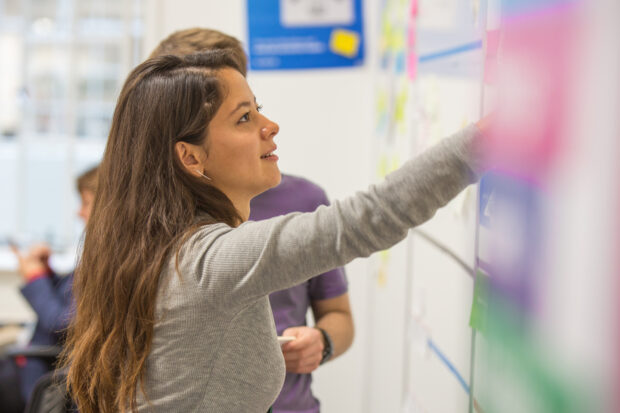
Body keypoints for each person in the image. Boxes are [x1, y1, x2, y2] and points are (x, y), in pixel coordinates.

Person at [61, 50, 486, 413]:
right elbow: (369, 218)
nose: (270, 125)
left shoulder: (154, 246)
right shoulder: (206, 260)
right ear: (191, 159)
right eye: (245, 118)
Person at [149, 28, 354, 412]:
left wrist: (321, 342)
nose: (269, 126)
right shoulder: (146, 220)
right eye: (243, 116)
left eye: (251, 107)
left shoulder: (304, 199)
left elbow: (339, 316)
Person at [6, 165, 97, 406]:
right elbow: (73, 300)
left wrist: (36, 278)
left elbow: (65, 324)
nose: (79, 213)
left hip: (49, 374)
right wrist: (48, 274)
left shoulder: (109, 257)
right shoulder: (99, 254)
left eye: (86, 203)